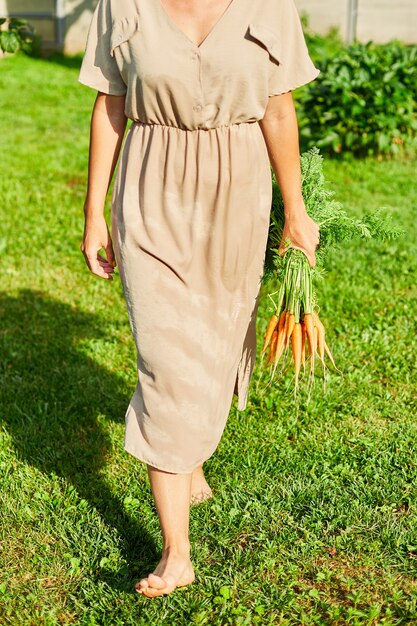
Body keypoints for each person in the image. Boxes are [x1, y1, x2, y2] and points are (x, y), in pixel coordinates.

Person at [79, 0, 320, 598]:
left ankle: (191, 454)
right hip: (150, 191)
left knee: (216, 337)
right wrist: (92, 215)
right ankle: (177, 553)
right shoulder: (123, 3)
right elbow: (110, 104)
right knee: (165, 363)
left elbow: (278, 107)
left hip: (237, 196)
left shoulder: (269, 5)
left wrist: (296, 211)